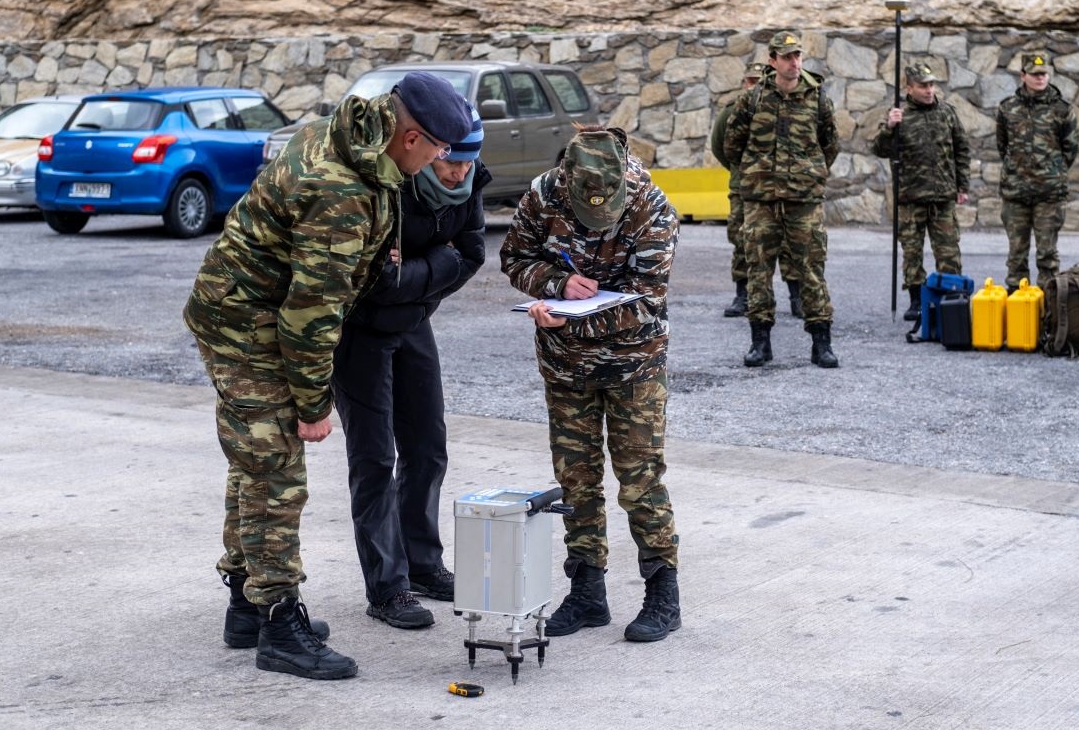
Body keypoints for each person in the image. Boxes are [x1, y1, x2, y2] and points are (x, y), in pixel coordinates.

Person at [183, 71, 471, 680]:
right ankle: (281, 625)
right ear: (412, 136)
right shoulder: (340, 189)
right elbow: (310, 315)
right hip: (247, 324)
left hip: (245, 308)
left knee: (253, 465)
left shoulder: (348, 138)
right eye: (441, 149)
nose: (444, 160)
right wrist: (314, 405)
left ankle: (246, 604)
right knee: (275, 471)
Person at [499, 125, 682, 643]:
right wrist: (554, 285)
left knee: (640, 479)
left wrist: (572, 317)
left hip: (634, 367)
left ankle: (663, 595)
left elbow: (647, 298)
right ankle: (586, 592)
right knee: (576, 481)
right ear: (570, 179)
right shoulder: (544, 193)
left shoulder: (651, 206)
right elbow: (515, 258)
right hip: (565, 368)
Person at [331, 108, 489, 631]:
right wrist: (431, 267)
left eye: (468, 165)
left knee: (427, 449)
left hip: (415, 322)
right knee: (375, 458)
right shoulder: (392, 185)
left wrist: (414, 275)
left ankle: (422, 564)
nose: (459, 175)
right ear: (432, 153)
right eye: (452, 164)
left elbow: (470, 256)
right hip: (361, 330)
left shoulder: (469, 187)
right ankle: (388, 587)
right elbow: (375, 277)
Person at [722, 30, 840, 368]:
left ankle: (821, 342)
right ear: (772, 61)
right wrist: (757, 174)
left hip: (804, 200)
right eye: (786, 57)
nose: (794, 62)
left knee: (812, 270)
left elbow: (829, 144)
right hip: (761, 200)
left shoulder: (817, 98)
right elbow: (733, 144)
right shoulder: (753, 99)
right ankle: (760, 343)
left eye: (798, 56)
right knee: (759, 270)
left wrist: (807, 173)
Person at [871, 62, 971, 323]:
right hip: (910, 198)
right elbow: (880, 150)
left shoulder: (947, 113)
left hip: (943, 198)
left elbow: (961, 149)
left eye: (931, 85)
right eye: (922, 86)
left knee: (948, 252)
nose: (929, 90)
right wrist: (889, 128)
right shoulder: (899, 115)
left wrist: (963, 186)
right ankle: (916, 300)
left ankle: (950, 298)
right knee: (912, 252)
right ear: (910, 88)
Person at [710, 63, 806, 319]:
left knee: (789, 244)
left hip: (781, 188)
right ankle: (743, 295)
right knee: (743, 241)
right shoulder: (732, 111)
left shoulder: (777, 108)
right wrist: (742, 169)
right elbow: (721, 146)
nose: (753, 86)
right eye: (749, 81)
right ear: (744, 83)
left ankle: (797, 297)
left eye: (758, 81)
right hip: (744, 188)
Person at [995, 52, 1079, 291]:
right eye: (1034, 74)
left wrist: (1052, 171)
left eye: (1043, 73)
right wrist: (1017, 171)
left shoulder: (1062, 109)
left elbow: (1070, 148)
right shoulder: (1008, 108)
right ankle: (1018, 307)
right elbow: (1003, 145)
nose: (1040, 78)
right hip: (1015, 193)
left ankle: (1048, 310)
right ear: (1023, 76)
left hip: (1049, 194)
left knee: (1047, 255)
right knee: (1016, 255)